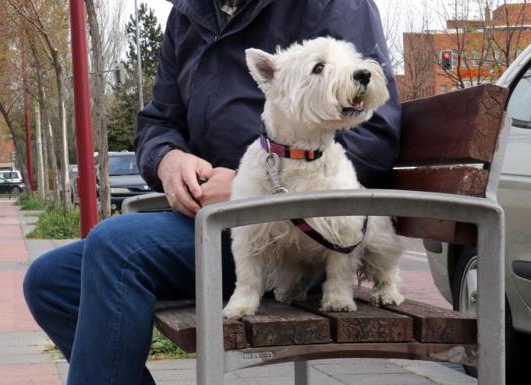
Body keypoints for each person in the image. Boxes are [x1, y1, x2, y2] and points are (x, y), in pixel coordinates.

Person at [23, 1, 402, 384]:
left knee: (116, 247)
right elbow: (159, 119)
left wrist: (250, 185)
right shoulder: (187, 15)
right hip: (211, 224)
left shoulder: (333, 6)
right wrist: (167, 159)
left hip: (305, 236)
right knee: (50, 281)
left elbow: (375, 134)